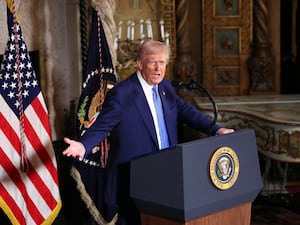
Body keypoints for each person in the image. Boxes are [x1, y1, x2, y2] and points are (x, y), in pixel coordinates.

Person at [63, 40, 234, 225]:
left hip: (167, 174)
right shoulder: (123, 93)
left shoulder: (166, 88)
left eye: (162, 63)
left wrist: (216, 129)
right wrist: (83, 145)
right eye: (153, 62)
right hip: (134, 181)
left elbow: (185, 111)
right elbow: (103, 126)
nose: (158, 68)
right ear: (140, 64)